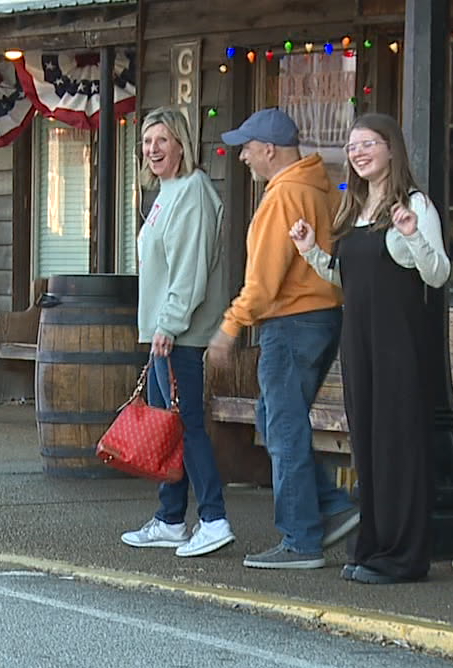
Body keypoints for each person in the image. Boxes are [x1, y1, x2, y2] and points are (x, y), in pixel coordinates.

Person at [290, 113, 450, 584]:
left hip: (400, 345)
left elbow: (437, 273)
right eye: (353, 146)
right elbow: (346, 278)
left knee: (398, 445)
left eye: (368, 144)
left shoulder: (414, 205)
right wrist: (311, 252)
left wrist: (411, 234)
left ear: (391, 149)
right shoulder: (355, 207)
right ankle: (373, 547)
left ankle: (403, 558)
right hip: (358, 343)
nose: (358, 153)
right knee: (369, 446)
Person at [209, 108, 358, 570]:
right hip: (320, 317)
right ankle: (332, 507)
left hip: (290, 322)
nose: (243, 159)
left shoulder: (283, 196)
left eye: (247, 149)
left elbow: (264, 281)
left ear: (269, 150)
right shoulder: (318, 186)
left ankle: (301, 539)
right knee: (272, 417)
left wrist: (230, 327)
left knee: (285, 427)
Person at [119, 106, 235, 557]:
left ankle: (213, 517)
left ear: (182, 145)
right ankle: (170, 518)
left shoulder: (194, 192)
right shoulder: (168, 192)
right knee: (171, 428)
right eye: (148, 142)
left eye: (162, 141)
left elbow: (189, 268)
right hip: (163, 332)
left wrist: (168, 323)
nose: (153, 150)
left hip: (179, 334)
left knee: (187, 427)